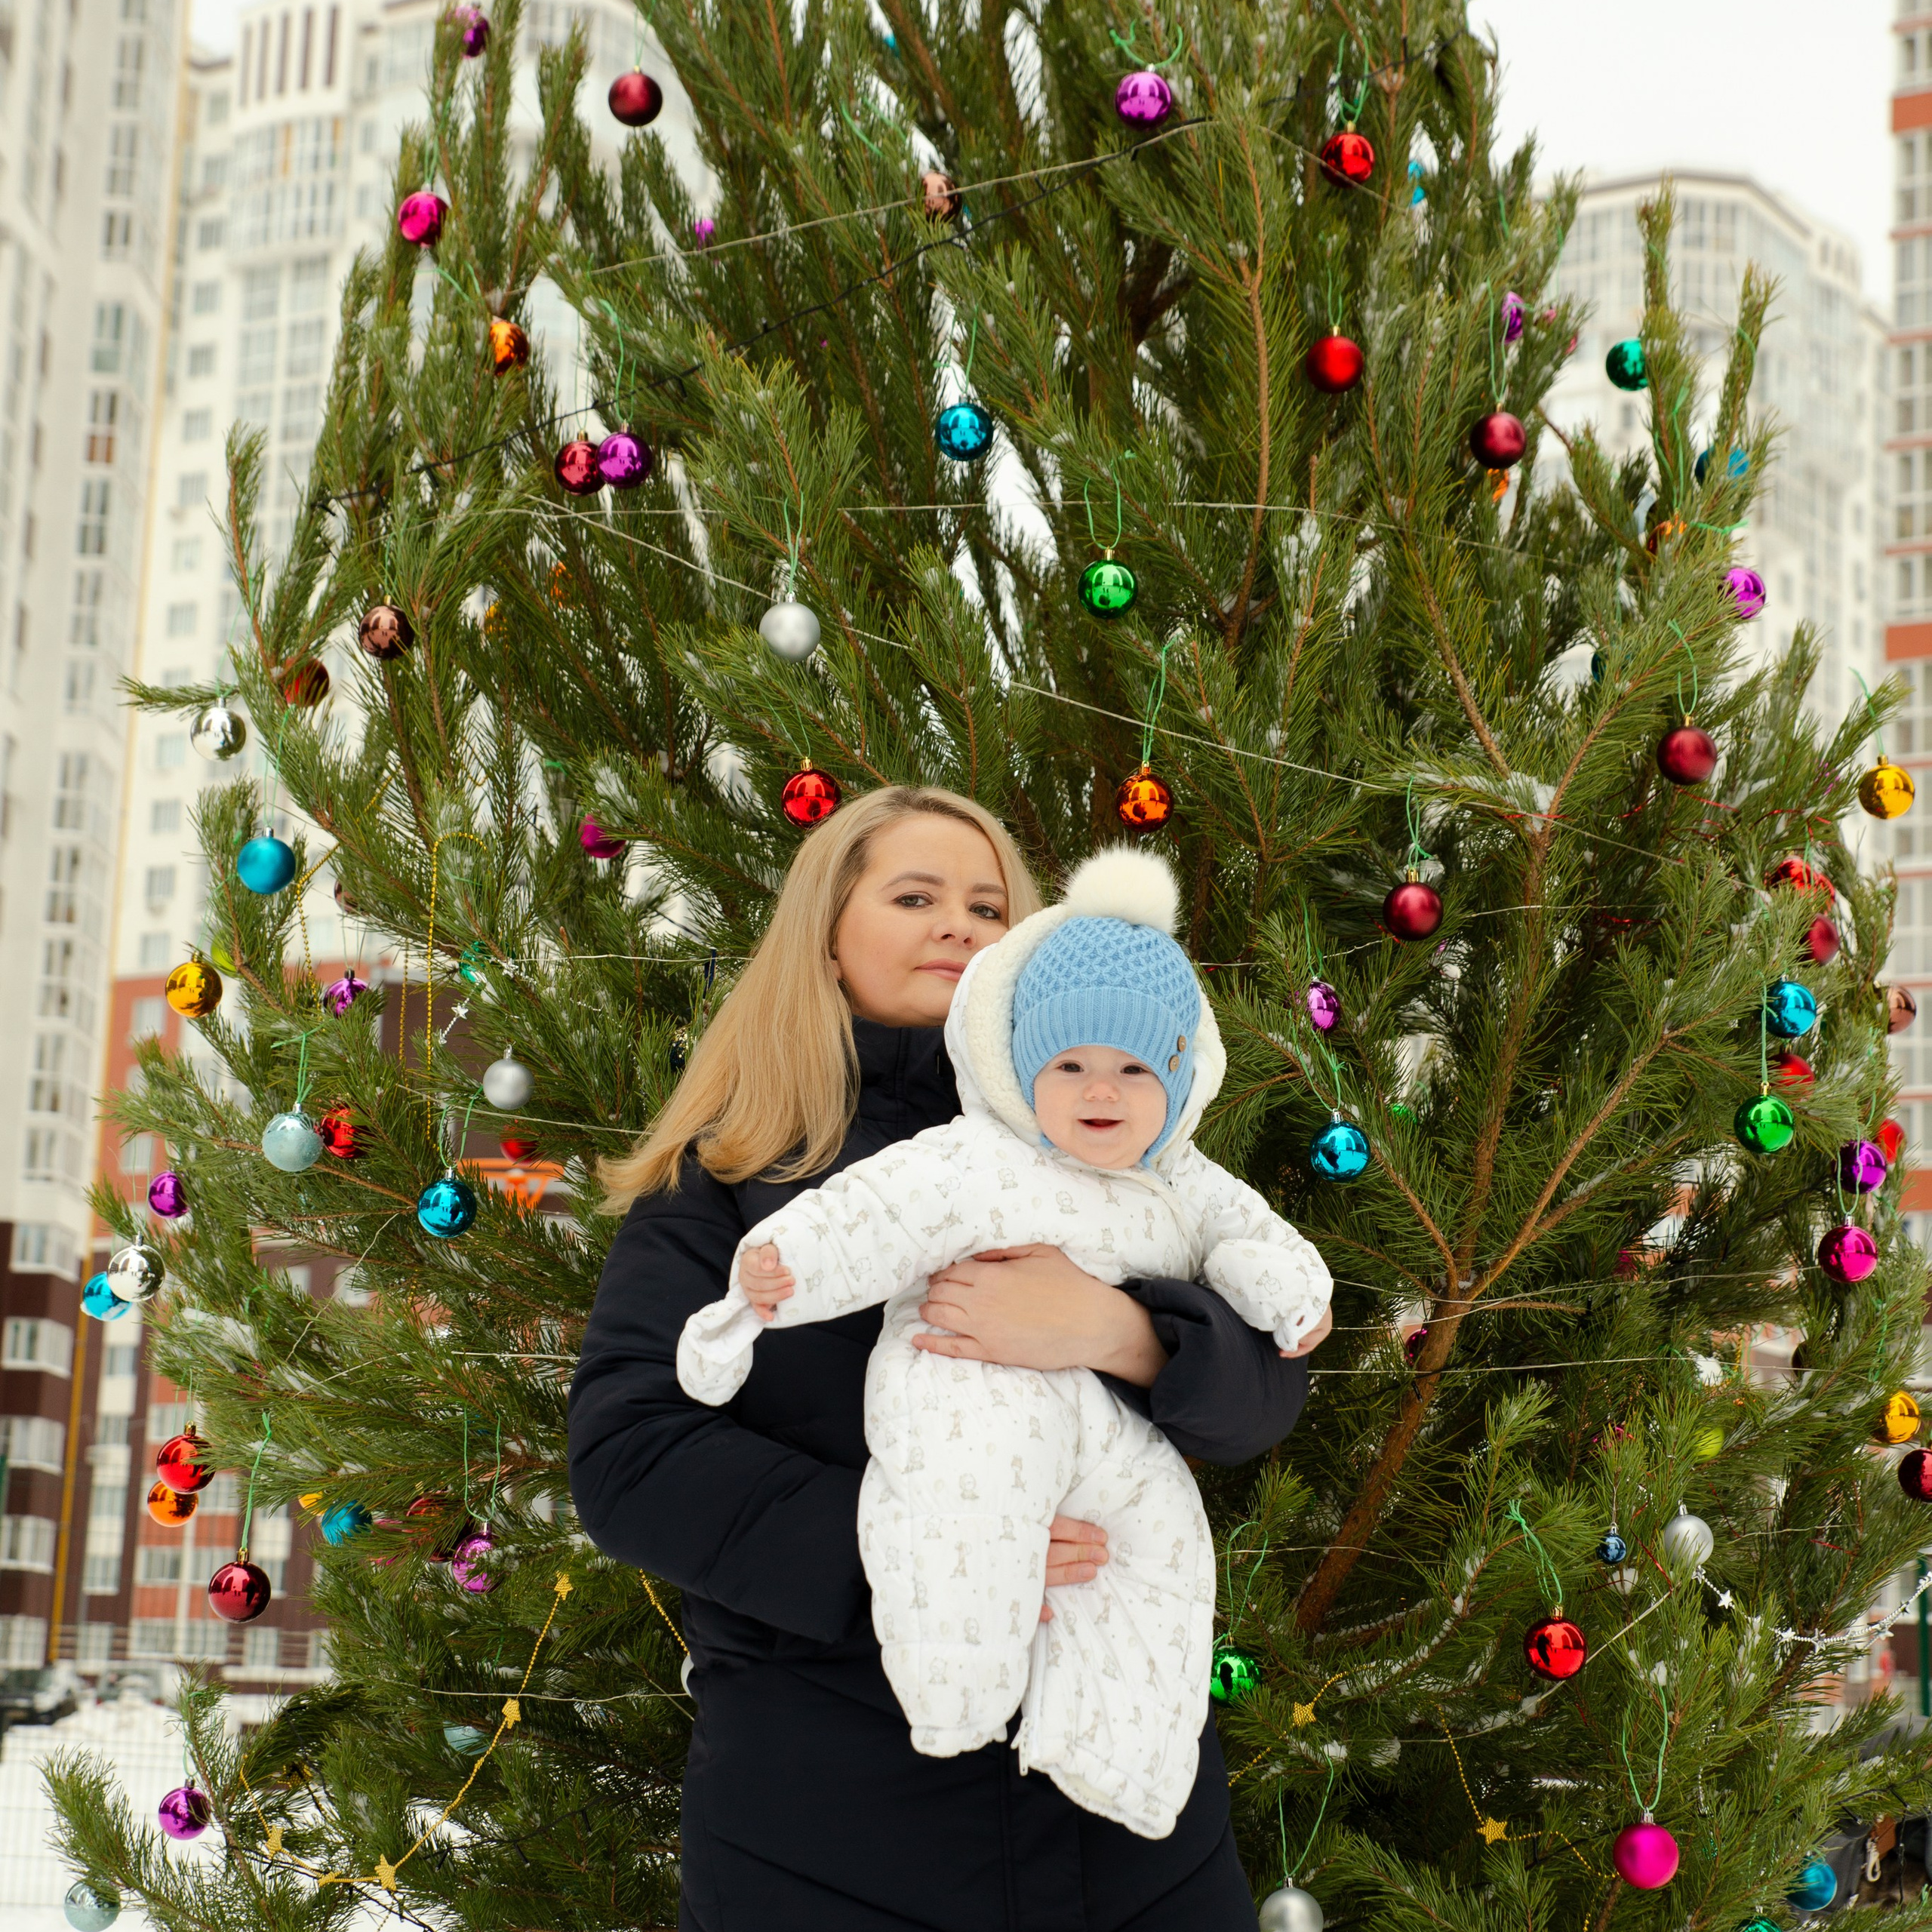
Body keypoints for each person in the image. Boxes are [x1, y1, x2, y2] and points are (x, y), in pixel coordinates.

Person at [569, 786, 1322, 1930]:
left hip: (1127, 1814)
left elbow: (1267, 1395)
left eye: (987, 905)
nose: (957, 925)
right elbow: (630, 1460)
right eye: (915, 897)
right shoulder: (726, 1176)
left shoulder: (1122, 1145)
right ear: (827, 934)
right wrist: (940, 1543)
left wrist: (1119, 1333)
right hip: (834, 1821)